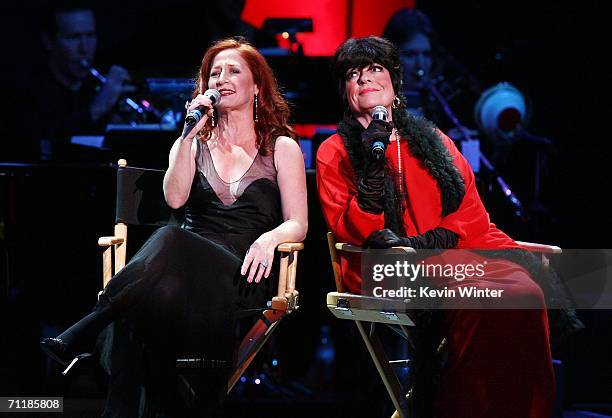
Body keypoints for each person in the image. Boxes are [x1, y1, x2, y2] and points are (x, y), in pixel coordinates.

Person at [40, 37, 308, 417]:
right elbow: (175, 199)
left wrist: (271, 237)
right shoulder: (191, 142)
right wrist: (187, 137)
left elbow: (298, 221)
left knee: (168, 237)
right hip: (181, 274)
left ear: (257, 87)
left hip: (241, 273)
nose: (222, 79)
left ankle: (94, 322)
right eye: (214, 73)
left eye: (234, 71)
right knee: (147, 301)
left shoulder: (282, 148)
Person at [316, 36, 556, 417]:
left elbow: (471, 211)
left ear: (394, 83)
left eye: (375, 69)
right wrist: (373, 165)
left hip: (449, 255)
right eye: (353, 74)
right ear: (344, 92)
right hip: (383, 267)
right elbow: (350, 228)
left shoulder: (435, 141)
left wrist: (430, 241)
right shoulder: (334, 151)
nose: (364, 79)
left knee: (524, 291)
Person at [8, 1, 135, 161]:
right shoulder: (25, 91)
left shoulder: (96, 86)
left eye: (90, 35)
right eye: (73, 37)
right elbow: (42, 143)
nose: (84, 48)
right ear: (49, 41)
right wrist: (98, 108)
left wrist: (119, 125)